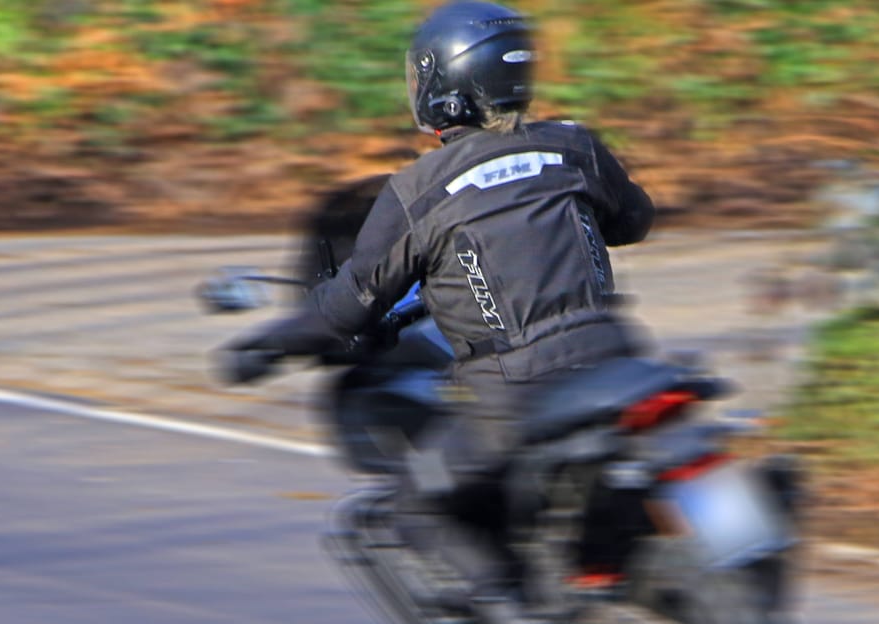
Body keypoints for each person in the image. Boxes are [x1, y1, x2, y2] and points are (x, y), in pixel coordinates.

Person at [222, 0, 655, 547]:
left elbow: (348, 305)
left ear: (445, 82)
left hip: (513, 396)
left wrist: (266, 344)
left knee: (414, 509)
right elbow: (634, 220)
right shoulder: (574, 145)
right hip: (618, 359)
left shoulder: (417, 191)